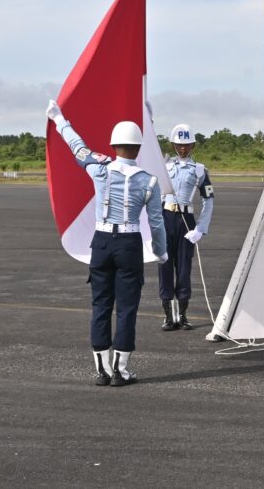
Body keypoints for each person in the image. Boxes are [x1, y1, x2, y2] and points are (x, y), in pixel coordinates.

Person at [47, 100, 168, 386]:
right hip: (129, 244)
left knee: (100, 305)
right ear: (138, 148)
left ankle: (101, 369)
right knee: (126, 308)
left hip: (101, 243)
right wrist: (161, 253)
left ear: (113, 146)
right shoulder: (149, 182)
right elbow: (157, 223)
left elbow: (76, 146)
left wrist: (58, 118)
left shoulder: (99, 168)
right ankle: (121, 370)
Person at [158, 123, 215, 331]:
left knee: (184, 268)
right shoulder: (163, 166)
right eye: (179, 145)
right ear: (173, 144)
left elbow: (208, 200)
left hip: (186, 221)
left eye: (187, 144)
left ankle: (182, 315)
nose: (183, 148)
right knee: (164, 266)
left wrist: (200, 228)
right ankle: (167, 316)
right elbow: (154, 195)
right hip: (165, 217)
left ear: (193, 145)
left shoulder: (199, 170)